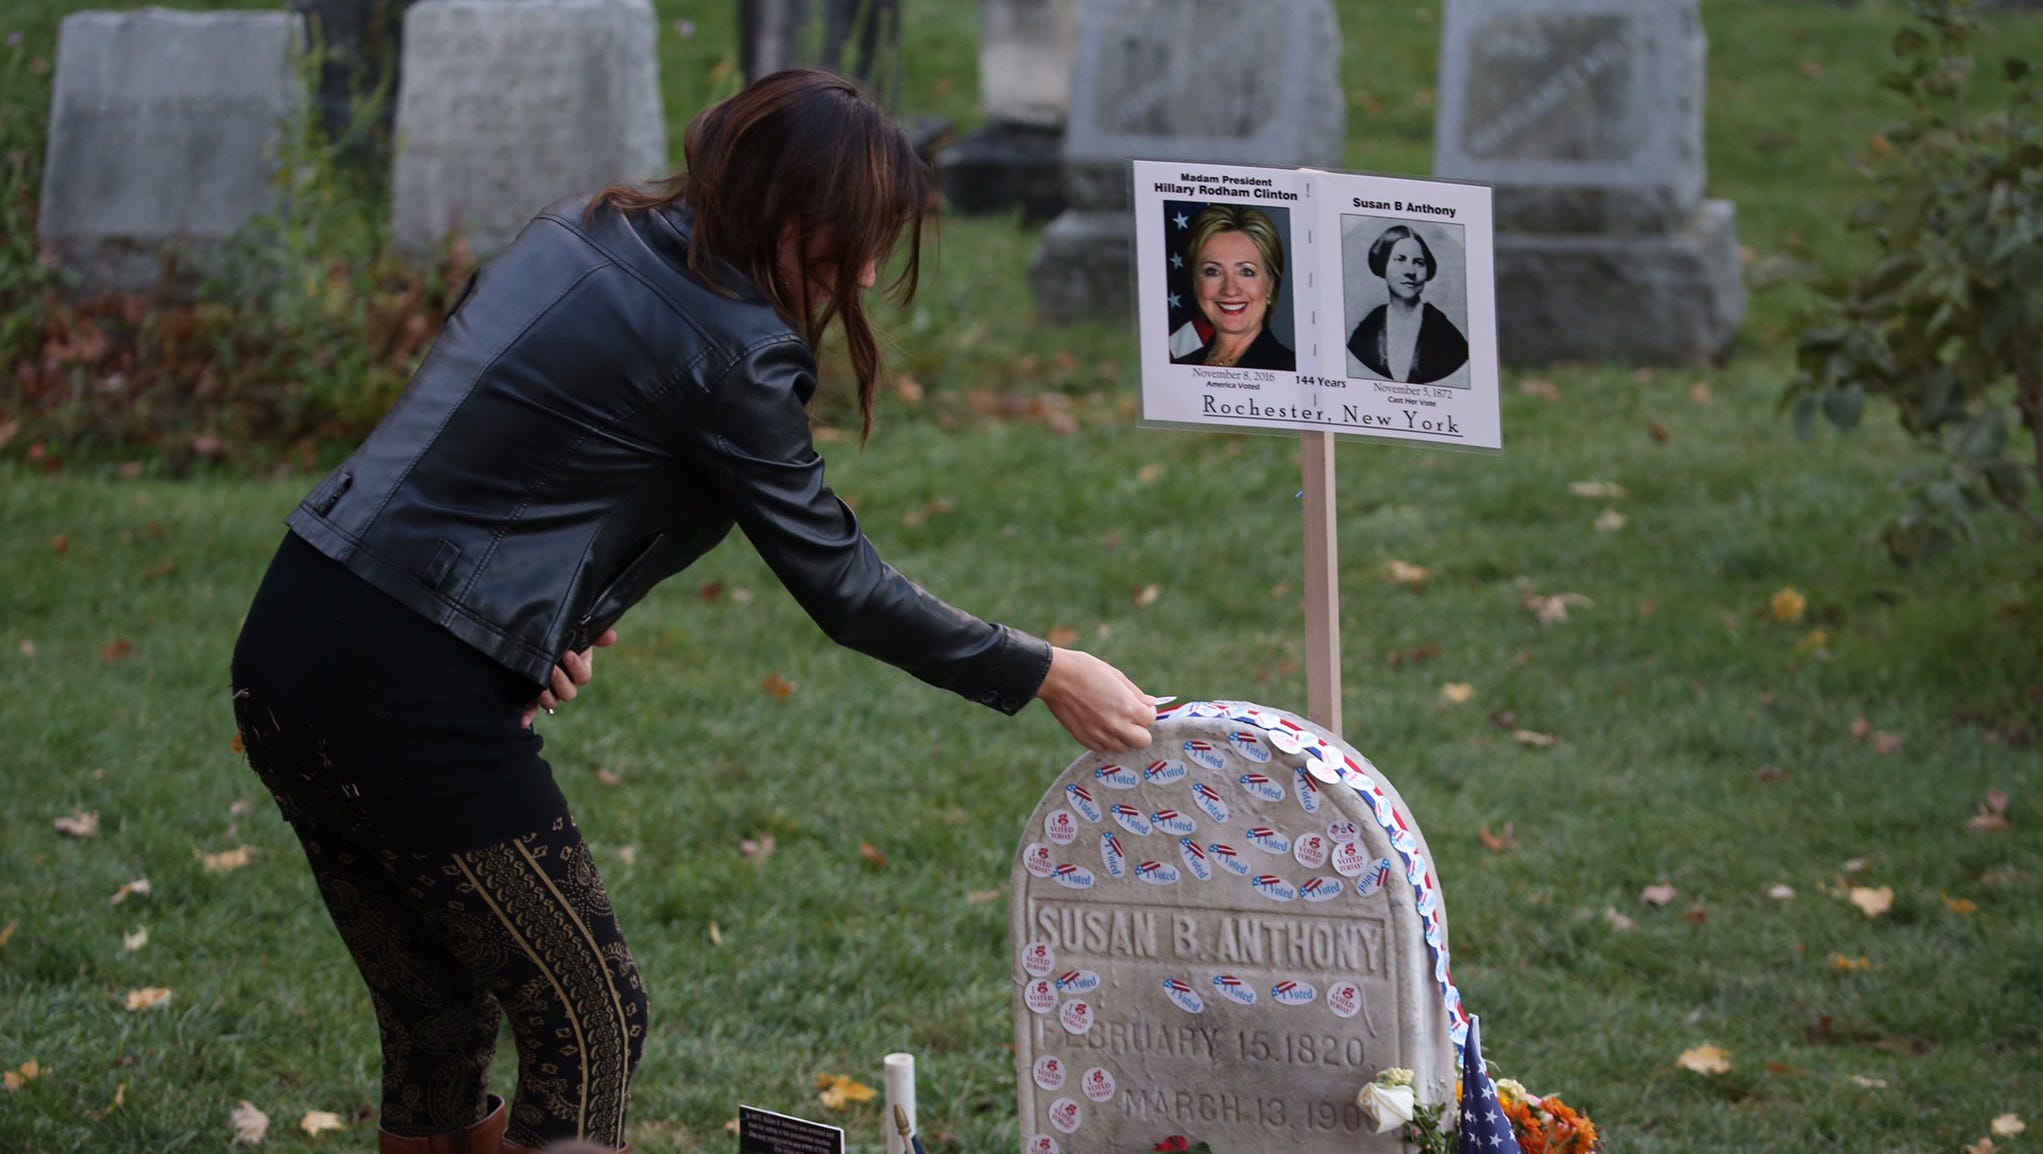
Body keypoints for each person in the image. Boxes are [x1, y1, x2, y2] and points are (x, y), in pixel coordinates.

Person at [228, 69, 1156, 1154]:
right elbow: (847, 586)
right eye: (857, 240)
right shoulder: (732, 347)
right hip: (407, 687)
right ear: (794, 215)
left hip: (292, 638)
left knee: (437, 1017)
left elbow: (496, 443)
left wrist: (538, 619)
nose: (865, 270)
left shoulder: (579, 229)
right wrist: (1047, 668)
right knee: (592, 1017)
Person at [1168, 204, 1295, 372]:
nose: (1230, 290)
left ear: (1270, 285)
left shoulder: (1291, 369)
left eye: (1246, 272)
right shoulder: (1179, 367)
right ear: (1195, 282)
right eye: (1213, 271)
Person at [1346, 224, 1469, 385]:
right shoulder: (1369, 327)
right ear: (1384, 265)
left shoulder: (1444, 332)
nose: (1410, 271)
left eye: (1418, 262)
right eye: (1400, 259)